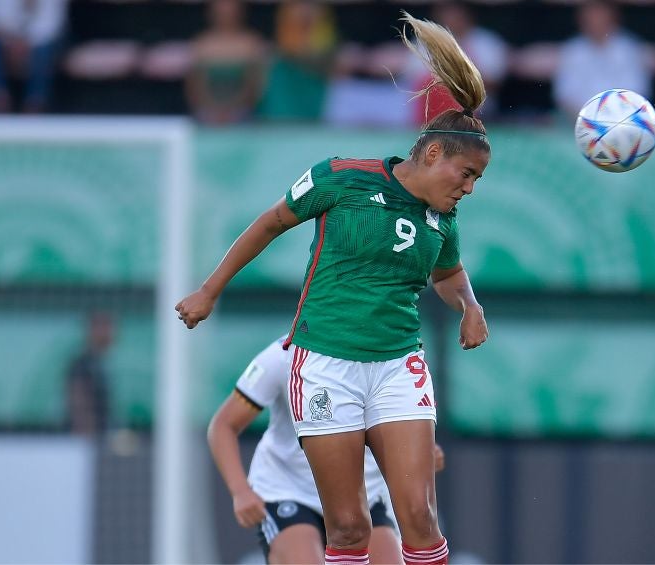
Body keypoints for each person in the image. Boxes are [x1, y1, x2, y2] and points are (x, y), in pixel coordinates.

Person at [176, 12, 489, 565]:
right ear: (434, 153)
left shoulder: (443, 220)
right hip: (324, 363)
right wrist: (210, 290)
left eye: (476, 182)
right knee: (347, 529)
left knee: (419, 516)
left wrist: (469, 305)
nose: (468, 188)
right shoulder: (340, 177)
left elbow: (449, 275)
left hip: (397, 365)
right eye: (465, 174)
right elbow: (270, 222)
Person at [208, 333, 447, 564]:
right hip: (290, 490)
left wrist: (415, 453)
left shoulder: (393, 356)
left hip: (364, 494)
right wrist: (240, 491)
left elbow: (398, 419)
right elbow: (223, 425)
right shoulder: (282, 356)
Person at [404, 1, 508, 125]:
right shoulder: (424, 42)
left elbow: (494, 81)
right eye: (446, 13)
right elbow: (415, 80)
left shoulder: (486, 41)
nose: (452, 18)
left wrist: (462, 79)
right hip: (433, 107)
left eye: (456, 13)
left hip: (477, 107)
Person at [552, 0, 651, 120]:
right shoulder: (572, 50)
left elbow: (637, 92)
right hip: (579, 122)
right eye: (591, 16)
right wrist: (590, 119)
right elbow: (565, 95)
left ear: (613, 17)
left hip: (623, 123)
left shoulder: (630, 49)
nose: (596, 21)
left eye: (601, 15)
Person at [185, 0, 266, 126]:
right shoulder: (201, 44)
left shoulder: (252, 44)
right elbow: (195, 87)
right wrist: (214, 111)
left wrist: (231, 111)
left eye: (231, 8)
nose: (226, 12)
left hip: (241, 114)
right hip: (208, 114)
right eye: (221, 8)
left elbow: (255, 87)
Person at [256, 0, 336, 122]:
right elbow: (284, 49)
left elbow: (324, 56)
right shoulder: (285, 22)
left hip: (314, 85)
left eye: (310, 6)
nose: (305, 11)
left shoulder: (324, 28)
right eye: (300, 5)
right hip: (287, 81)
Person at [0, 0, 68, 114]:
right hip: (5, 39)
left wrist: (28, 43)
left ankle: (35, 103)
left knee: (43, 51)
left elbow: (52, 28)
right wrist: (13, 41)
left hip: (43, 41)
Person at [66, 312, 114, 436]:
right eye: (103, 326)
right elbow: (78, 407)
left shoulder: (101, 364)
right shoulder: (82, 366)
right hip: (88, 442)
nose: (109, 332)